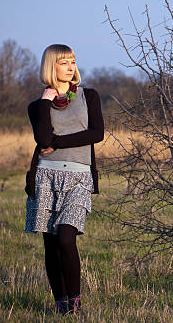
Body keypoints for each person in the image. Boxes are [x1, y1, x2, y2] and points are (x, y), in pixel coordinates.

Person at [24, 44, 104, 314]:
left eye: (72, 61)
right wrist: (47, 101)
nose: (71, 67)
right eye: (64, 63)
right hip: (46, 176)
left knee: (66, 239)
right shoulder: (37, 106)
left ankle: (76, 303)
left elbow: (96, 134)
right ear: (51, 67)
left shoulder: (89, 96)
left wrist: (58, 142)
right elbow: (42, 139)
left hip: (79, 177)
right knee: (50, 243)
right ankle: (61, 305)